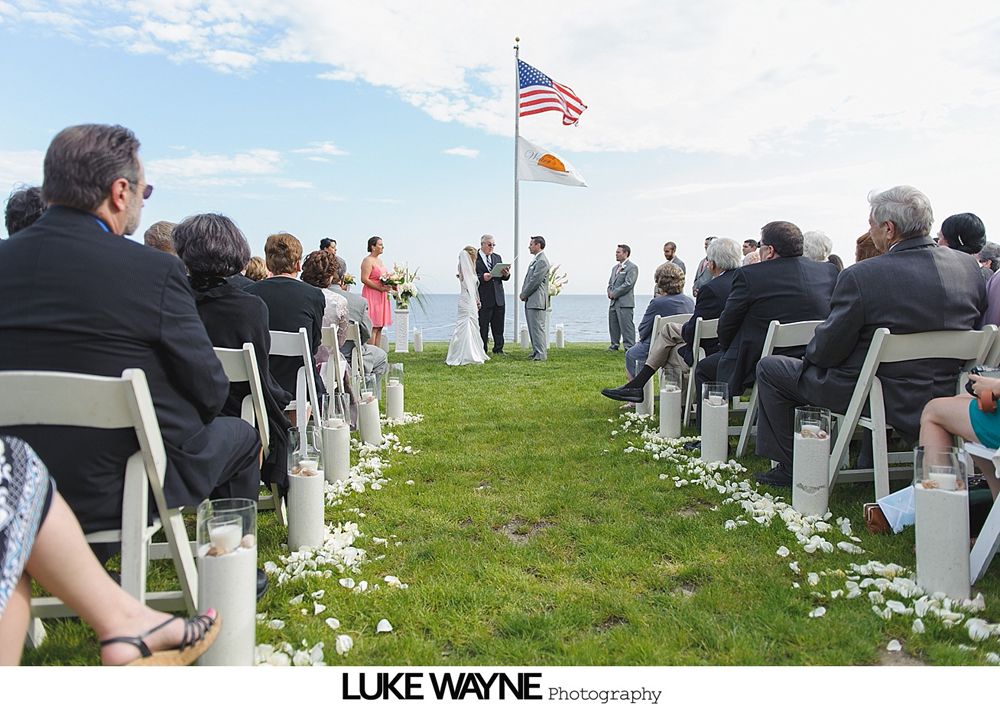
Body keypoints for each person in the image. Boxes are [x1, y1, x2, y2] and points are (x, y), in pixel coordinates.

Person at [0, 123, 261, 534]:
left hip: (12, 481)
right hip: (122, 484)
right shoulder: (153, 271)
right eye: (146, 190)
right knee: (242, 436)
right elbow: (211, 390)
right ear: (121, 191)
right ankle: (229, 564)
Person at [754, 185, 985, 487]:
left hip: (878, 393)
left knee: (771, 368)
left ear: (889, 229)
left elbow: (826, 350)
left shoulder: (863, 275)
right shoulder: (968, 266)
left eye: (871, 224)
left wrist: (812, 354)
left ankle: (792, 466)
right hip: (950, 389)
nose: (870, 230)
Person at [0, 437, 220, 666]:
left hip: (74, 475)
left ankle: (124, 621)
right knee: (16, 466)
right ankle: (125, 621)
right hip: (117, 479)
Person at [173, 213, 294, 495]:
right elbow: (260, 377)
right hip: (235, 412)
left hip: (177, 414)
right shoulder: (250, 307)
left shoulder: (168, 300)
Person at [694, 221, 838, 430]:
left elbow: (727, 325)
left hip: (760, 362)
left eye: (761, 246)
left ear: (770, 251)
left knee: (705, 369)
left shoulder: (751, 275)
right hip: (814, 359)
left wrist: (727, 349)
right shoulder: (828, 272)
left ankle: (711, 438)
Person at [601, 238, 741, 402]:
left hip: (713, 347)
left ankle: (638, 386)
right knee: (672, 341)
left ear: (713, 263)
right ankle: (638, 387)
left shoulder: (711, 289)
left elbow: (694, 330)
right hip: (736, 342)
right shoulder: (742, 282)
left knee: (668, 335)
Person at [247, 233, 326, 400]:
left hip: (260, 379)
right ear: (298, 264)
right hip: (299, 382)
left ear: (268, 263)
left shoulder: (248, 293)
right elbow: (314, 344)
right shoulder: (313, 295)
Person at [623, 262, 694, 379]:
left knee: (631, 354)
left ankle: (636, 387)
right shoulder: (689, 301)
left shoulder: (657, 303)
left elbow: (643, 330)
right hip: (684, 343)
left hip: (659, 346)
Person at [334, 267, 389, 388]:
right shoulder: (357, 302)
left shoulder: (307, 298)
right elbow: (366, 334)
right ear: (342, 278)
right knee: (381, 357)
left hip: (313, 359)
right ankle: (367, 400)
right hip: (349, 359)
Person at [301, 250, 350, 376]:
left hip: (298, 363)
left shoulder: (297, 297)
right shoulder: (338, 301)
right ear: (331, 275)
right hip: (327, 366)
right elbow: (340, 341)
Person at [446, 246, 489, 366]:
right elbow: (470, 287)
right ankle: (466, 353)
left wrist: (477, 299)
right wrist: (475, 300)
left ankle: (469, 351)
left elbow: (472, 288)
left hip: (467, 299)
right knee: (466, 325)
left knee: (469, 325)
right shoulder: (466, 269)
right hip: (467, 300)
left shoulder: (465, 268)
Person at [476, 234, 511, 355]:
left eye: (493, 245)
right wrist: (482, 278)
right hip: (484, 297)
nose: (492, 247)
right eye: (489, 245)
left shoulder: (497, 257)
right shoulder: (474, 258)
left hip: (498, 297)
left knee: (499, 326)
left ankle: (498, 349)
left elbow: (504, 277)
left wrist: (506, 274)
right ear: (482, 244)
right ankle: (482, 349)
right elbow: (471, 276)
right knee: (483, 326)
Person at [519, 235, 550, 362]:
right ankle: (536, 351)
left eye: (531, 244)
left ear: (538, 245)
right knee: (533, 328)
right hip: (531, 300)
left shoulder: (542, 261)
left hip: (536, 300)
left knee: (537, 328)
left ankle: (541, 354)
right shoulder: (536, 260)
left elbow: (534, 281)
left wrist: (524, 293)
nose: (529, 246)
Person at [937, 212, 989, 284]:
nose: (937, 243)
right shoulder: (988, 276)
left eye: (940, 237)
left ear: (952, 242)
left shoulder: (941, 274)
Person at [360, 236, 392, 347]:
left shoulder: (380, 261)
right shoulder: (367, 260)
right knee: (373, 326)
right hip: (372, 294)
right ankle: (371, 354)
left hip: (382, 295)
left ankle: (377, 354)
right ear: (372, 247)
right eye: (380, 244)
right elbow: (364, 279)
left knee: (379, 327)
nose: (382, 246)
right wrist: (379, 288)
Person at [607, 244, 639, 351]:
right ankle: (614, 344)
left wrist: (614, 293)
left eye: (618, 252)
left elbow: (629, 284)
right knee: (613, 324)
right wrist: (609, 291)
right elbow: (610, 282)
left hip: (625, 303)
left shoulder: (632, 267)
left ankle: (629, 346)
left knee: (626, 326)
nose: (616, 254)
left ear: (626, 253)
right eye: (616, 252)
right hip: (613, 302)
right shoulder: (614, 268)